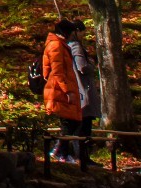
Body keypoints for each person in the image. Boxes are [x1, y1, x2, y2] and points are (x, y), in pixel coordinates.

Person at [43, 17, 85, 162]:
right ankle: (59, 151)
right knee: (70, 122)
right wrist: (67, 91)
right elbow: (57, 71)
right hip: (59, 90)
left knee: (72, 121)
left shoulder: (60, 45)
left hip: (63, 88)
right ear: (66, 32)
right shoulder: (56, 46)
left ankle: (63, 153)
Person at [66, 20, 101, 165]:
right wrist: (92, 65)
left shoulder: (68, 46)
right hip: (83, 90)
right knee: (84, 126)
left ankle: (82, 156)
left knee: (80, 126)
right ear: (77, 31)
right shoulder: (76, 47)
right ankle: (82, 157)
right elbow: (82, 67)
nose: (83, 35)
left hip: (77, 90)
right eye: (82, 32)